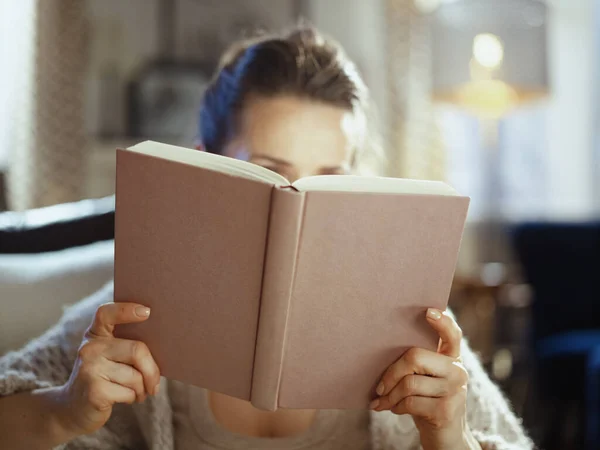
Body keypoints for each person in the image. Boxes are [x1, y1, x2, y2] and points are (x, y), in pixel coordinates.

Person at [0, 27, 532, 450]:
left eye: (329, 178)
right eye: (271, 173)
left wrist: (453, 441)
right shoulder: (132, 318)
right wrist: (63, 409)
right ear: (205, 168)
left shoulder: (417, 334)